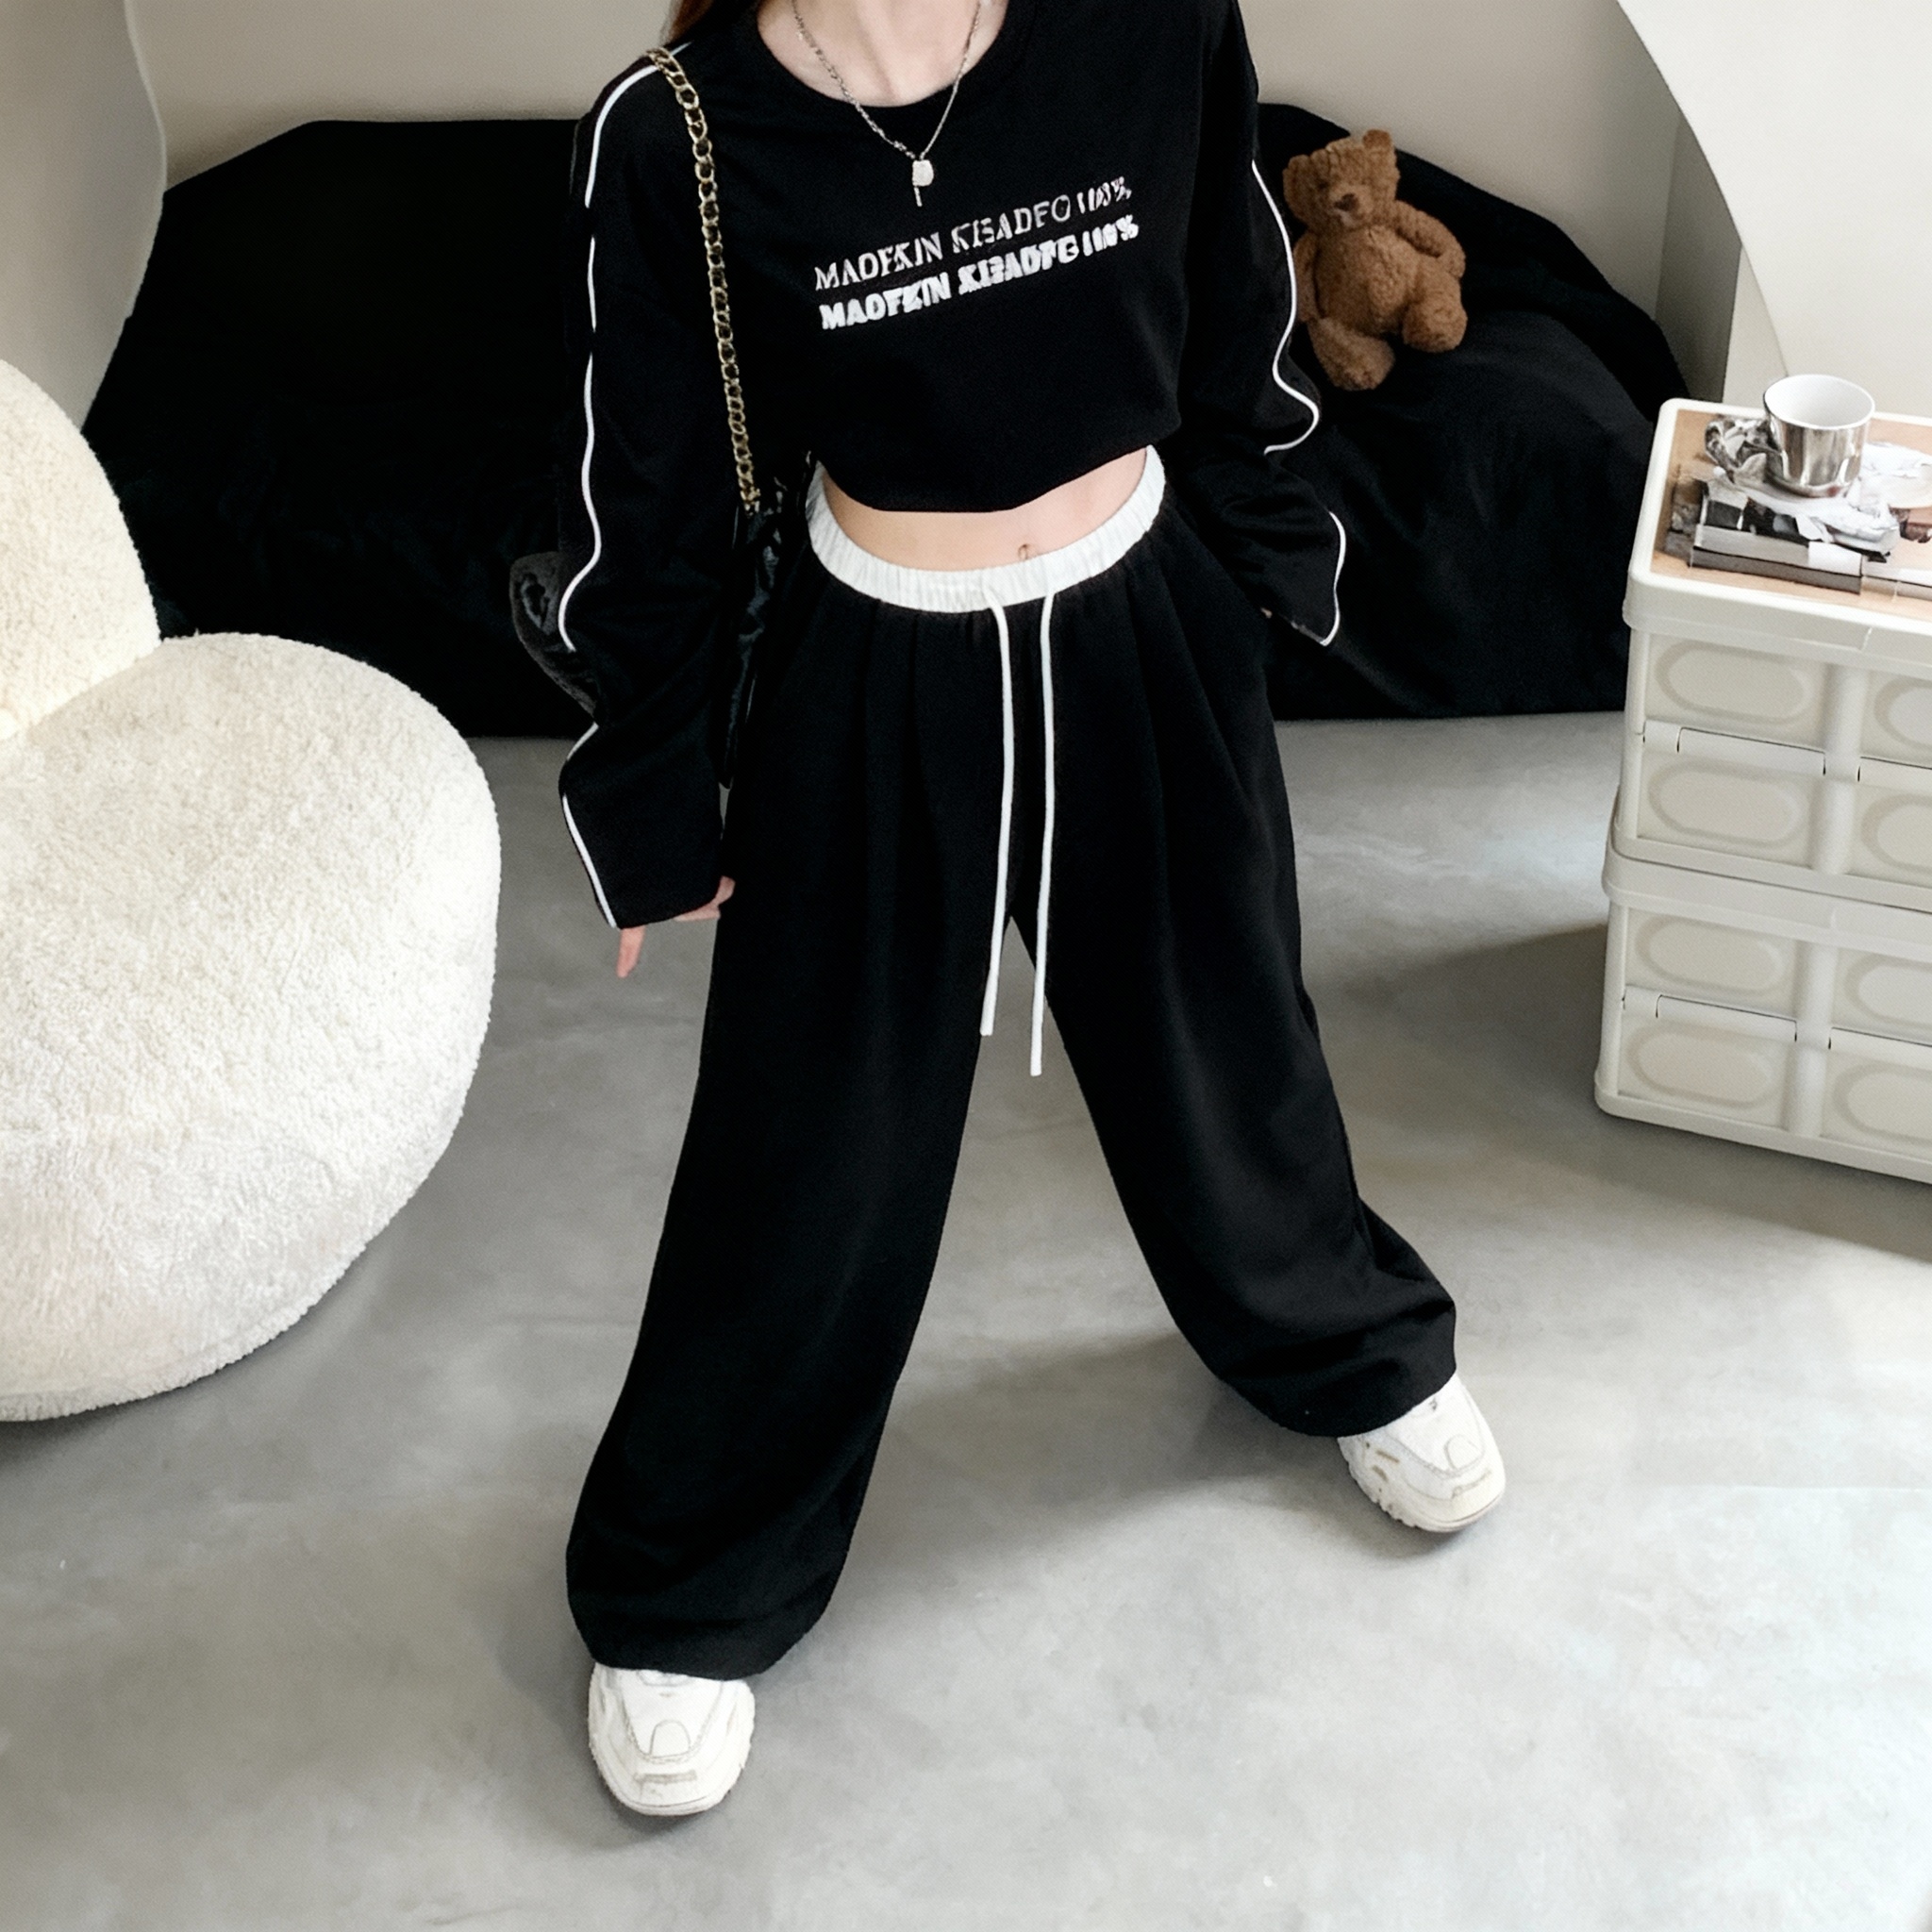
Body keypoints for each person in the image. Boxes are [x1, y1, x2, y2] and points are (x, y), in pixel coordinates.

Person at [553, 0, 1506, 1818]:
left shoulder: (1147, 20)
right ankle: (695, 1569)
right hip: (868, 675)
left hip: (1142, 621)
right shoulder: (675, 132)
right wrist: (655, 794)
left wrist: (1265, 564)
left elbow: (1236, 310)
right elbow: (647, 478)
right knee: (809, 1137)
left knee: (1227, 1040)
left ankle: (1340, 1336)